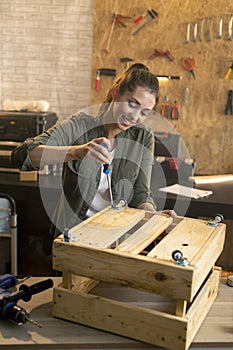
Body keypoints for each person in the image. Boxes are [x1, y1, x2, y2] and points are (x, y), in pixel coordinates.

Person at [11, 63, 175, 254]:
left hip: (115, 240)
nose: (135, 117)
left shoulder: (143, 136)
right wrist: (75, 152)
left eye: (144, 112)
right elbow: (20, 156)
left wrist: (152, 215)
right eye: (132, 104)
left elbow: (141, 191)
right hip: (74, 239)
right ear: (116, 92)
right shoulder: (79, 126)